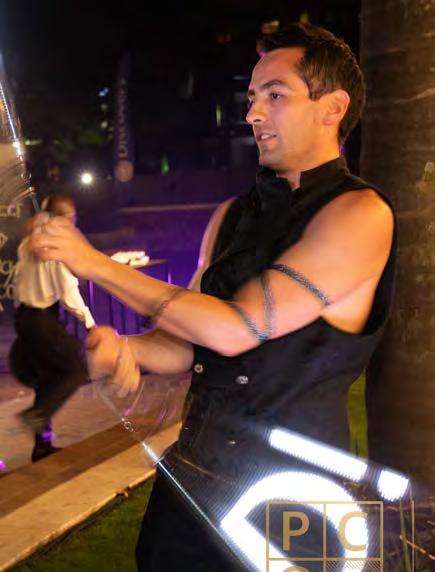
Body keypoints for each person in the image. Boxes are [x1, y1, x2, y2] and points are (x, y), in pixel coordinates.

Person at [33, 23, 396, 571]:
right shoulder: (231, 215)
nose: (254, 113)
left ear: (333, 108)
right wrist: (127, 349)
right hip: (192, 485)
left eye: (276, 95)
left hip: (295, 497)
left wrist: (94, 265)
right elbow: (188, 342)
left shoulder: (359, 213)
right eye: (252, 98)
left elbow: (236, 327)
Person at [9, 194, 95, 462]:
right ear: (62, 218)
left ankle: (42, 446)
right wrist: (90, 324)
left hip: (25, 317)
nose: (74, 222)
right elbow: (68, 291)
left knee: (46, 379)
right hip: (41, 319)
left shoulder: (29, 241)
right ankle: (36, 415)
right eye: (72, 217)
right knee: (76, 370)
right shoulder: (52, 247)